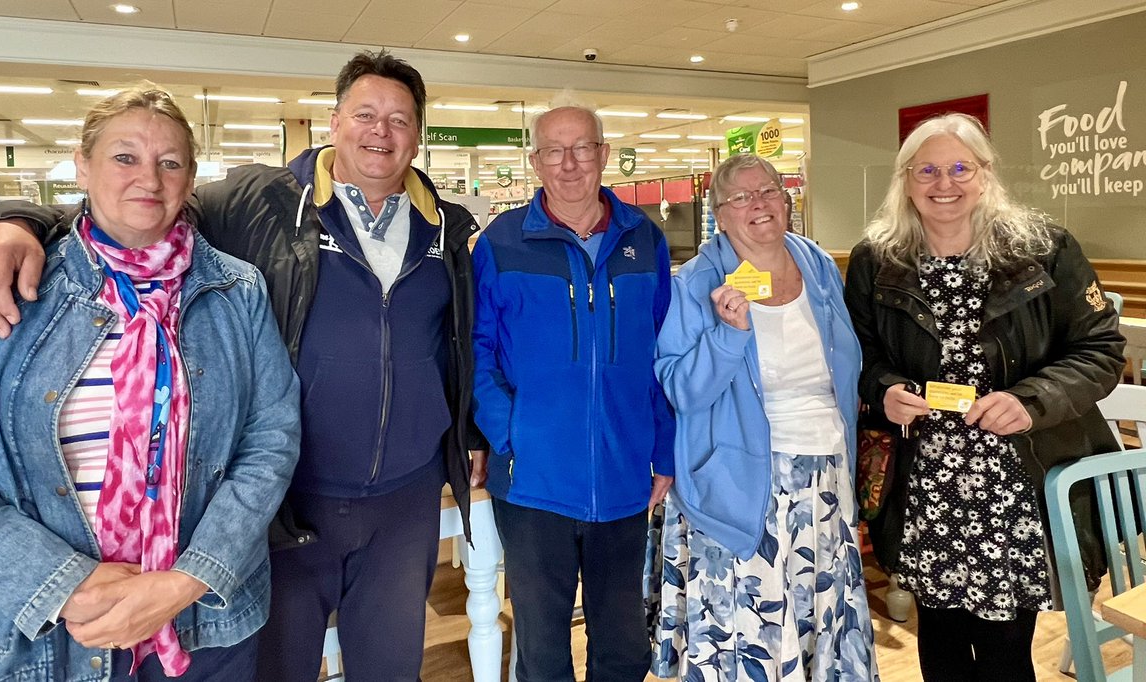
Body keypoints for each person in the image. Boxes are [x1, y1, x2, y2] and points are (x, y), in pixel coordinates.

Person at [0, 50, 484, 682]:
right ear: (334, 121)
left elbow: (458, 343)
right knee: (282, 666)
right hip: (294, 507)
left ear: (418, 136)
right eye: (365, 114)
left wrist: (468, 433)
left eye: (399, 120)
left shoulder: (447, 228)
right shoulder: (259, 202)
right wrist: (10, 224)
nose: (380, 131)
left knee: (391, 666)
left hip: (404, 496)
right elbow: (138, 214)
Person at [0, 85, 300, 681]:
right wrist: (66, 585)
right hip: (38, 637)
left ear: (191, 180)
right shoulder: (2, 291)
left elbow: (270, 440)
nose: (149, 179)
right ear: (82, 166)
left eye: (170, 162)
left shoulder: (236, 291)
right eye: (124, 157)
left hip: (201, 622)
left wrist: (187, 579)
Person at [843, 113, 1126, 681]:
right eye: (926, 170)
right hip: (925, 478)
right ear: (905, 180)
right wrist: (884, 389)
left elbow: (1101, 350)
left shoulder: (1042, 249)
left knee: (1005, 649)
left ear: (985, 173)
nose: (943, 183)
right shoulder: (877, 259)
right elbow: (860, 354)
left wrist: (1030, 401)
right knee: (939, 640)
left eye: (959, 168)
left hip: (1016, 476)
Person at [648, 153, 878, 681]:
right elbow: (681, 389)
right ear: (719, 216)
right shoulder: (695, 283)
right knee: (753, 629)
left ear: (787, 201)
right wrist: (728, 336)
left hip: (824, 475)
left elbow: (845, 361)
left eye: (769, 191)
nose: (759, 204)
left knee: (820, 619)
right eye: (741, 197)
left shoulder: (815, 263)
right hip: (741, 484)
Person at [470, 101, 675, 681]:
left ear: (603, 154)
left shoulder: (644, 239)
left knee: (623, 647)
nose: (569, 164)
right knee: (542, 651)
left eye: (582, 148)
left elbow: (665, 352)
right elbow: (477, 349)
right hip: (533, 482)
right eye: (554, 151)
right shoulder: (502, 242)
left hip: (625, 475)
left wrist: (664, 447)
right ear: (535, 161)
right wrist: (509, 432)